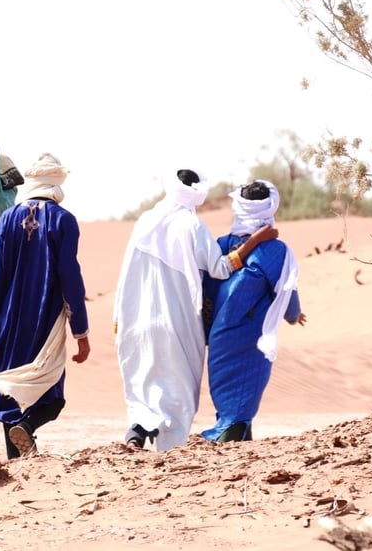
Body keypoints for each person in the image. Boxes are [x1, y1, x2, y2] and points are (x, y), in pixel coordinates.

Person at [114, 169, 278, 452]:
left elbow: (126, 269)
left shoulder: (145, 221)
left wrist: (118, 315)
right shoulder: (192, 226)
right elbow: (221, 268)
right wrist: (257, 241)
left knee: (144, 379)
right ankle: (167, 452)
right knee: (179, 389)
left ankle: (138, 427)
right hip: (176, 321)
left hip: (136, 317)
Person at [0, 153, 91, 459]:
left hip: (8, 321)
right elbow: (70, 277)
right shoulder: (64, 220)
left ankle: (18, 460)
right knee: (51, 397)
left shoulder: (7, 218)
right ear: (57, 184)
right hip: (44, 321)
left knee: (10, 393)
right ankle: (27, 428)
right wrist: (80, 331)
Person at [201, 180, 306, 443]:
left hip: (219, 331)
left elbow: (208, 289)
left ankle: (233, 430)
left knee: (224, 382)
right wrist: (293, 315)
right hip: (251, 332)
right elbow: (287, 290)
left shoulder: (221, 244)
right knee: (246, 384)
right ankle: (233, 431)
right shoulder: (274, 249)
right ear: (270, 206)